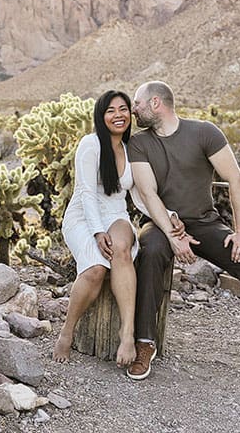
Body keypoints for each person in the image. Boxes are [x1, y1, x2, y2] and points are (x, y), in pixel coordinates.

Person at [124, 80, 240, 380]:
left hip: (205, 223)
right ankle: (145, 343)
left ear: (156, 103)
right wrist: (174, 236)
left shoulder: (204, 133)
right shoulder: (139, 143)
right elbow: (148, 194)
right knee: (152, 250)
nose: (134, 110)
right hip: (162, 222)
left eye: (138, 104)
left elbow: (236, 179)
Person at [52, 90, 182, 367]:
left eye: (123, 109)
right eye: (111, 110)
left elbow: (139, 196)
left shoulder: (129, 148)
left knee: (121, 248)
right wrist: (98, 231)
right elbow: (86, 193)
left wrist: (168, 216)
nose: (118, 115)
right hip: (83, 217)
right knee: (97, 270)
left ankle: (127, 333)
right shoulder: (90, 144)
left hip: (116, 215)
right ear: (101, 116)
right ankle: (67, 330)